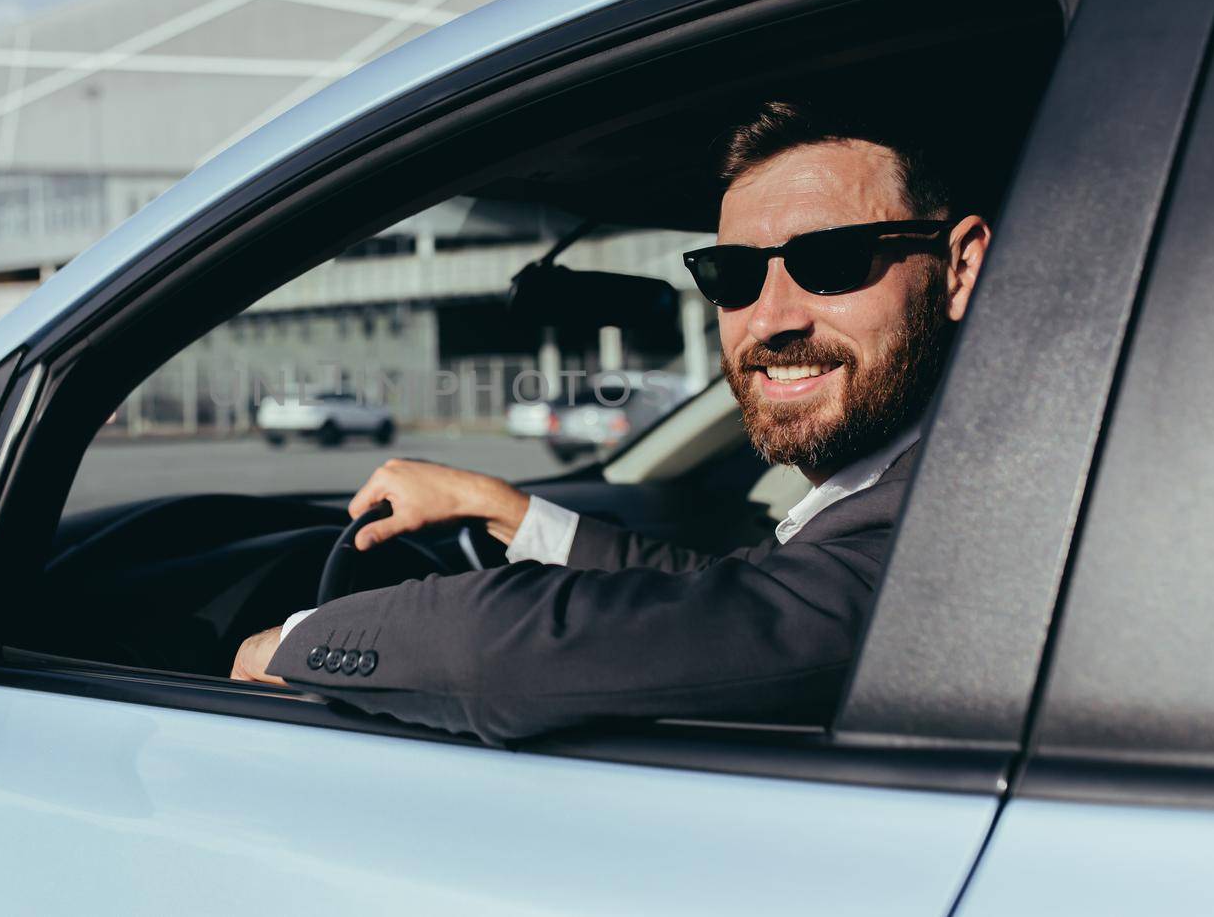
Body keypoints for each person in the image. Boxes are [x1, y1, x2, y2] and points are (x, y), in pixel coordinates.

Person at [229, 99, 991, 745]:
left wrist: (299, 640)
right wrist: (505, 510)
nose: (771, 319)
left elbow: (519, 654)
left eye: (833, 260)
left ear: (958, 267)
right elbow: (737, 601)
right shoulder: (901, 488)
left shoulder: (954, 521)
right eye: (734, 274)